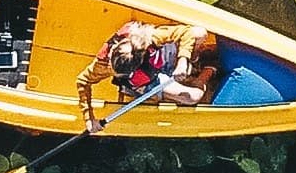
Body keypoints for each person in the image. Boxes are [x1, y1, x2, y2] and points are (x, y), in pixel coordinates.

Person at [78, 20, 224, 123]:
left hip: (159, 59)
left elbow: (185, 31)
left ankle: (194, 60)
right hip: (147, 81)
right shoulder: (102, 64)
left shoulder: (149, 37)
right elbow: (82, 81)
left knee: (199, 33)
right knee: (193, 97)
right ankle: (208, 70)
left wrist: (183, 60)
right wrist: (89, 118)